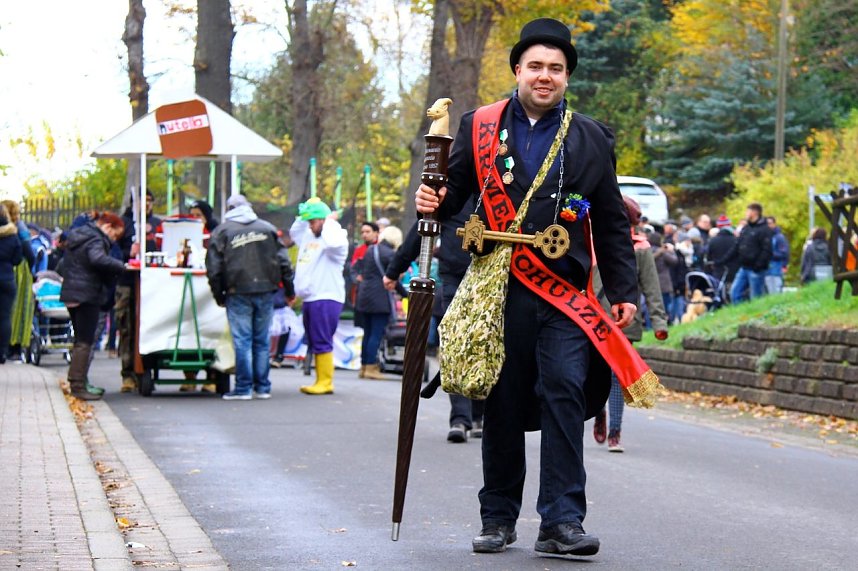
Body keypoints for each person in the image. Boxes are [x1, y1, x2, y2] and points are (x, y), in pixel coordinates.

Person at [414, 18, 641, 557]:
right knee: (504, 402)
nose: (545, 76)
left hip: (563, 294)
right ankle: (497, 517)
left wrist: (625, 288)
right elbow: (456, 192)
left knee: (564, 391)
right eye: (536, 66)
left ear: (567, 77)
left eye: (556, 69)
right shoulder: (479, 126)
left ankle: (561, 521)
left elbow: (610, 220)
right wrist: (435, 201)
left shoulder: (591, 136)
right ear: (518, 69)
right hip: (499, 291)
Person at [385, 197, 484, 444]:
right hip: (455, 276)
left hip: (489, 274)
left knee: (483, 344)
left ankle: (479, 414)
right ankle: (461, 419)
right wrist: (395, 268)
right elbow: (422, 229)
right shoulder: (451, 191)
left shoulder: (494, 184)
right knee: (456, 345)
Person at [592, 197, 669, 452]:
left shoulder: (640, 247)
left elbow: (651, 287)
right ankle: (597, 409)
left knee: (617, 376)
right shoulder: (590, 241)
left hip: (625, 321)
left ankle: (615, 432)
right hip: (591, 318)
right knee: (593, 372)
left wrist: (659, 321)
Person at [206, 194, 294, 400]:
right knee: (262, 341)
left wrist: (218, 294)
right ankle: (262, 387)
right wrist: (289, 290)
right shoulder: (268, 228)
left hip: (237, 291)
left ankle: (243, 387)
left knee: (242, 340)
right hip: (266, 290)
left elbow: (214, 268)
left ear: (229, 208)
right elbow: (284, 263)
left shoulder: (222, 231)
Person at [59, 213, 127, 399]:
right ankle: (78, 385)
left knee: (80, 339)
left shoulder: (79, 235)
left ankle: (76, 381)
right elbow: (97, 259)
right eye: (114, 235)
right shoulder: (96, 239)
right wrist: (122, 266)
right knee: (85, 341)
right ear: (107, 226)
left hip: (72, 292)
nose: (113, 240)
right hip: (87, 293)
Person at [289, 197, 349, 395]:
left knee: (322, 338)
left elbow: (333, 242)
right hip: (311, 297)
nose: (310, 225)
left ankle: (325, 381)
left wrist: (328, 219)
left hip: (326, 296)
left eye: (313, 221)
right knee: (315, 339)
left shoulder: (335, 239)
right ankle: (320, 379)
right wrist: (305, 213)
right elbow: (294, 232)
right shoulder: (309, 236)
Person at [115, 191, 162, 393]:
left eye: (150, 201)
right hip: (127, 283)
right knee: (126, 327)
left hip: (154, 283)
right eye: (144, 201)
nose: (147, 205)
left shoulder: (158, 223)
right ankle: (128, 374)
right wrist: (129, 253)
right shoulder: (123, 224)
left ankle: (148, 370)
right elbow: (113, 253)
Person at [354, 225, 402, 380]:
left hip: (364, 296)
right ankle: (371, 367)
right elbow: (392, 278)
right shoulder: (390, 254)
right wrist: (406, 294)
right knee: (376, 333)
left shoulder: (370, 250)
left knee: (367, 333)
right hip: (379, 298)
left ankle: (363, 366)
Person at [718, 203, 772, 304]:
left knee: (756, 296)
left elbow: (767, 250)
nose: (746, 214)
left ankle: (755, 316)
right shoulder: (746, 228)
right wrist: (722, 260)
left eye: (748, 211)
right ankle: (738, 315)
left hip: (756, 269)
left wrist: (758, 265)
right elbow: (737, 246)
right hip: (744, 267)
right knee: (735, 293)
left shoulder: (764, 230)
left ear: (754, 212)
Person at [2, 200, 34, 361]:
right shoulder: (18, 230)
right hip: (15, 273)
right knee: (13, 312)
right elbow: (29, 253)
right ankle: (12, 348)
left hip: (13, 272)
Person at [0, 204, 23, 364]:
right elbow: (18, 259)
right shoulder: (12, 235)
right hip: (6, 278)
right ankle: (2, 352)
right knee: (5, 317)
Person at [706, 215, 739, 300]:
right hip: (734, 270)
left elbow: (709, 257)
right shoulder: (735, 240)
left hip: (718, 270)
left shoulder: (713, 241)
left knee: (720, 291)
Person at [765, 216, 789, 294]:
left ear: (774, 224)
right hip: (766, 269)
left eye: (770, 223)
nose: (768, 225)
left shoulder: (779, 237)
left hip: (776, 268)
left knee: (776, 289)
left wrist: (770, 254)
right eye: (766, 224)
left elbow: (784, 253)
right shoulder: (764, 236)